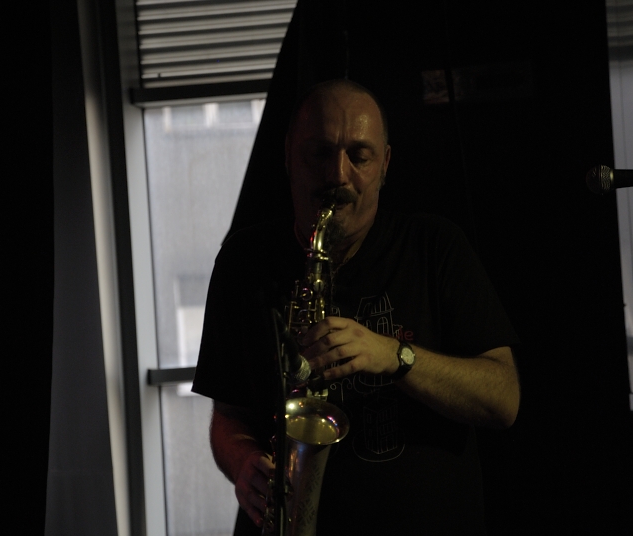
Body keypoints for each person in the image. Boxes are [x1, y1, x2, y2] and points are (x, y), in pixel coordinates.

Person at [193, 79, 520, 535]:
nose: (338, 176)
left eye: (359, 157)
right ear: (288, 155)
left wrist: (395, 356)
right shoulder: (244, 261)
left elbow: (504, 400)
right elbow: (228, 418)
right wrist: (243, 461)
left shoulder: (435, 247)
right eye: (320, 153)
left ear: (385, 163)